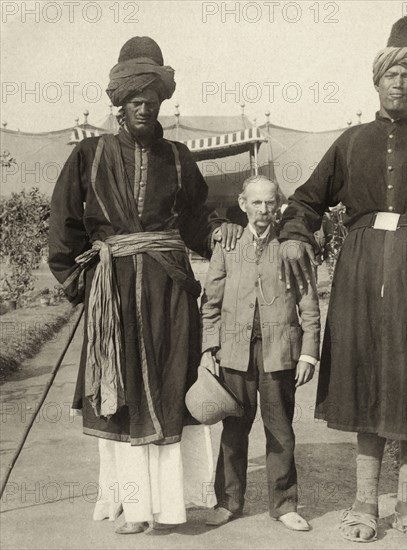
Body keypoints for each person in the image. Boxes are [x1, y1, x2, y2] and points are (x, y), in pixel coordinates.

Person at [278, 15, 407, 542]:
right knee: (368, 379)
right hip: (364, 274)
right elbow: (304, 199)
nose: (400, 83)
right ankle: (365, 505)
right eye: (393, 75)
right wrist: (295, 234)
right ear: (378, 78)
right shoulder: (350, 143)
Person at [48, 36, 242, 534]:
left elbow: (199, 221)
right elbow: (64, 226)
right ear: (120, 101)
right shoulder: (89, 154)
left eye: (152, 101)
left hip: (170, 293)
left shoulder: (178, 157)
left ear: (161, 103)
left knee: (173, 388)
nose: (144, 107)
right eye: (135, 100)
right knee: (124, 395)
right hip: (112, 291)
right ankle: (134, 509)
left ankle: (173, 507)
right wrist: (82, 285)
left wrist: (226, 239)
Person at [200, 175, 320, 531]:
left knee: (280, 431)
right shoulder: (228, 244)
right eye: (256, 203)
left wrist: (308, 354)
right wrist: (209, 348)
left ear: (277, 205)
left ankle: (284, 505)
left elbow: (309, 304)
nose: (264, 210)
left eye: (270, 203)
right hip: (234, 354)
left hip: (279, 354)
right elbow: (211, 302)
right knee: (233, 431)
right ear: (242, 204)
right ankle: (228, 502)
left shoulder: (291, 247)